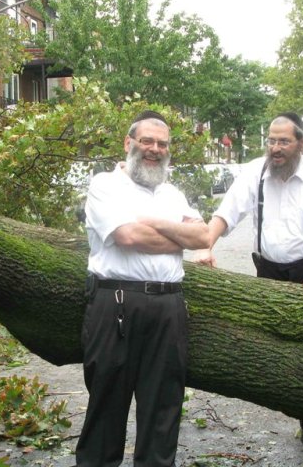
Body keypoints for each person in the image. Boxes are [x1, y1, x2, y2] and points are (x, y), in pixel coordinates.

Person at [194, 112, 303, 458]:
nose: (275, 148)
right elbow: (226, 213)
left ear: (301, 143)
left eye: (283, 141)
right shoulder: (256, 171)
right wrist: (207, 246)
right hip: (269, 273)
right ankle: (292, 399)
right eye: (271, 140)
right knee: (275, 347)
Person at [77, 111, 210, 466]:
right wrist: (177, 236)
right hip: (115, 303)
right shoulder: (105, 185)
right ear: (129, 143)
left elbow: (203, 236)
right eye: (147, 141)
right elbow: (127, 236)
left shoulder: (173, 193)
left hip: (169, 308)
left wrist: (151, 221)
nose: (154, 149)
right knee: (107, 408)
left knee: (163, 410)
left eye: (162, 144)